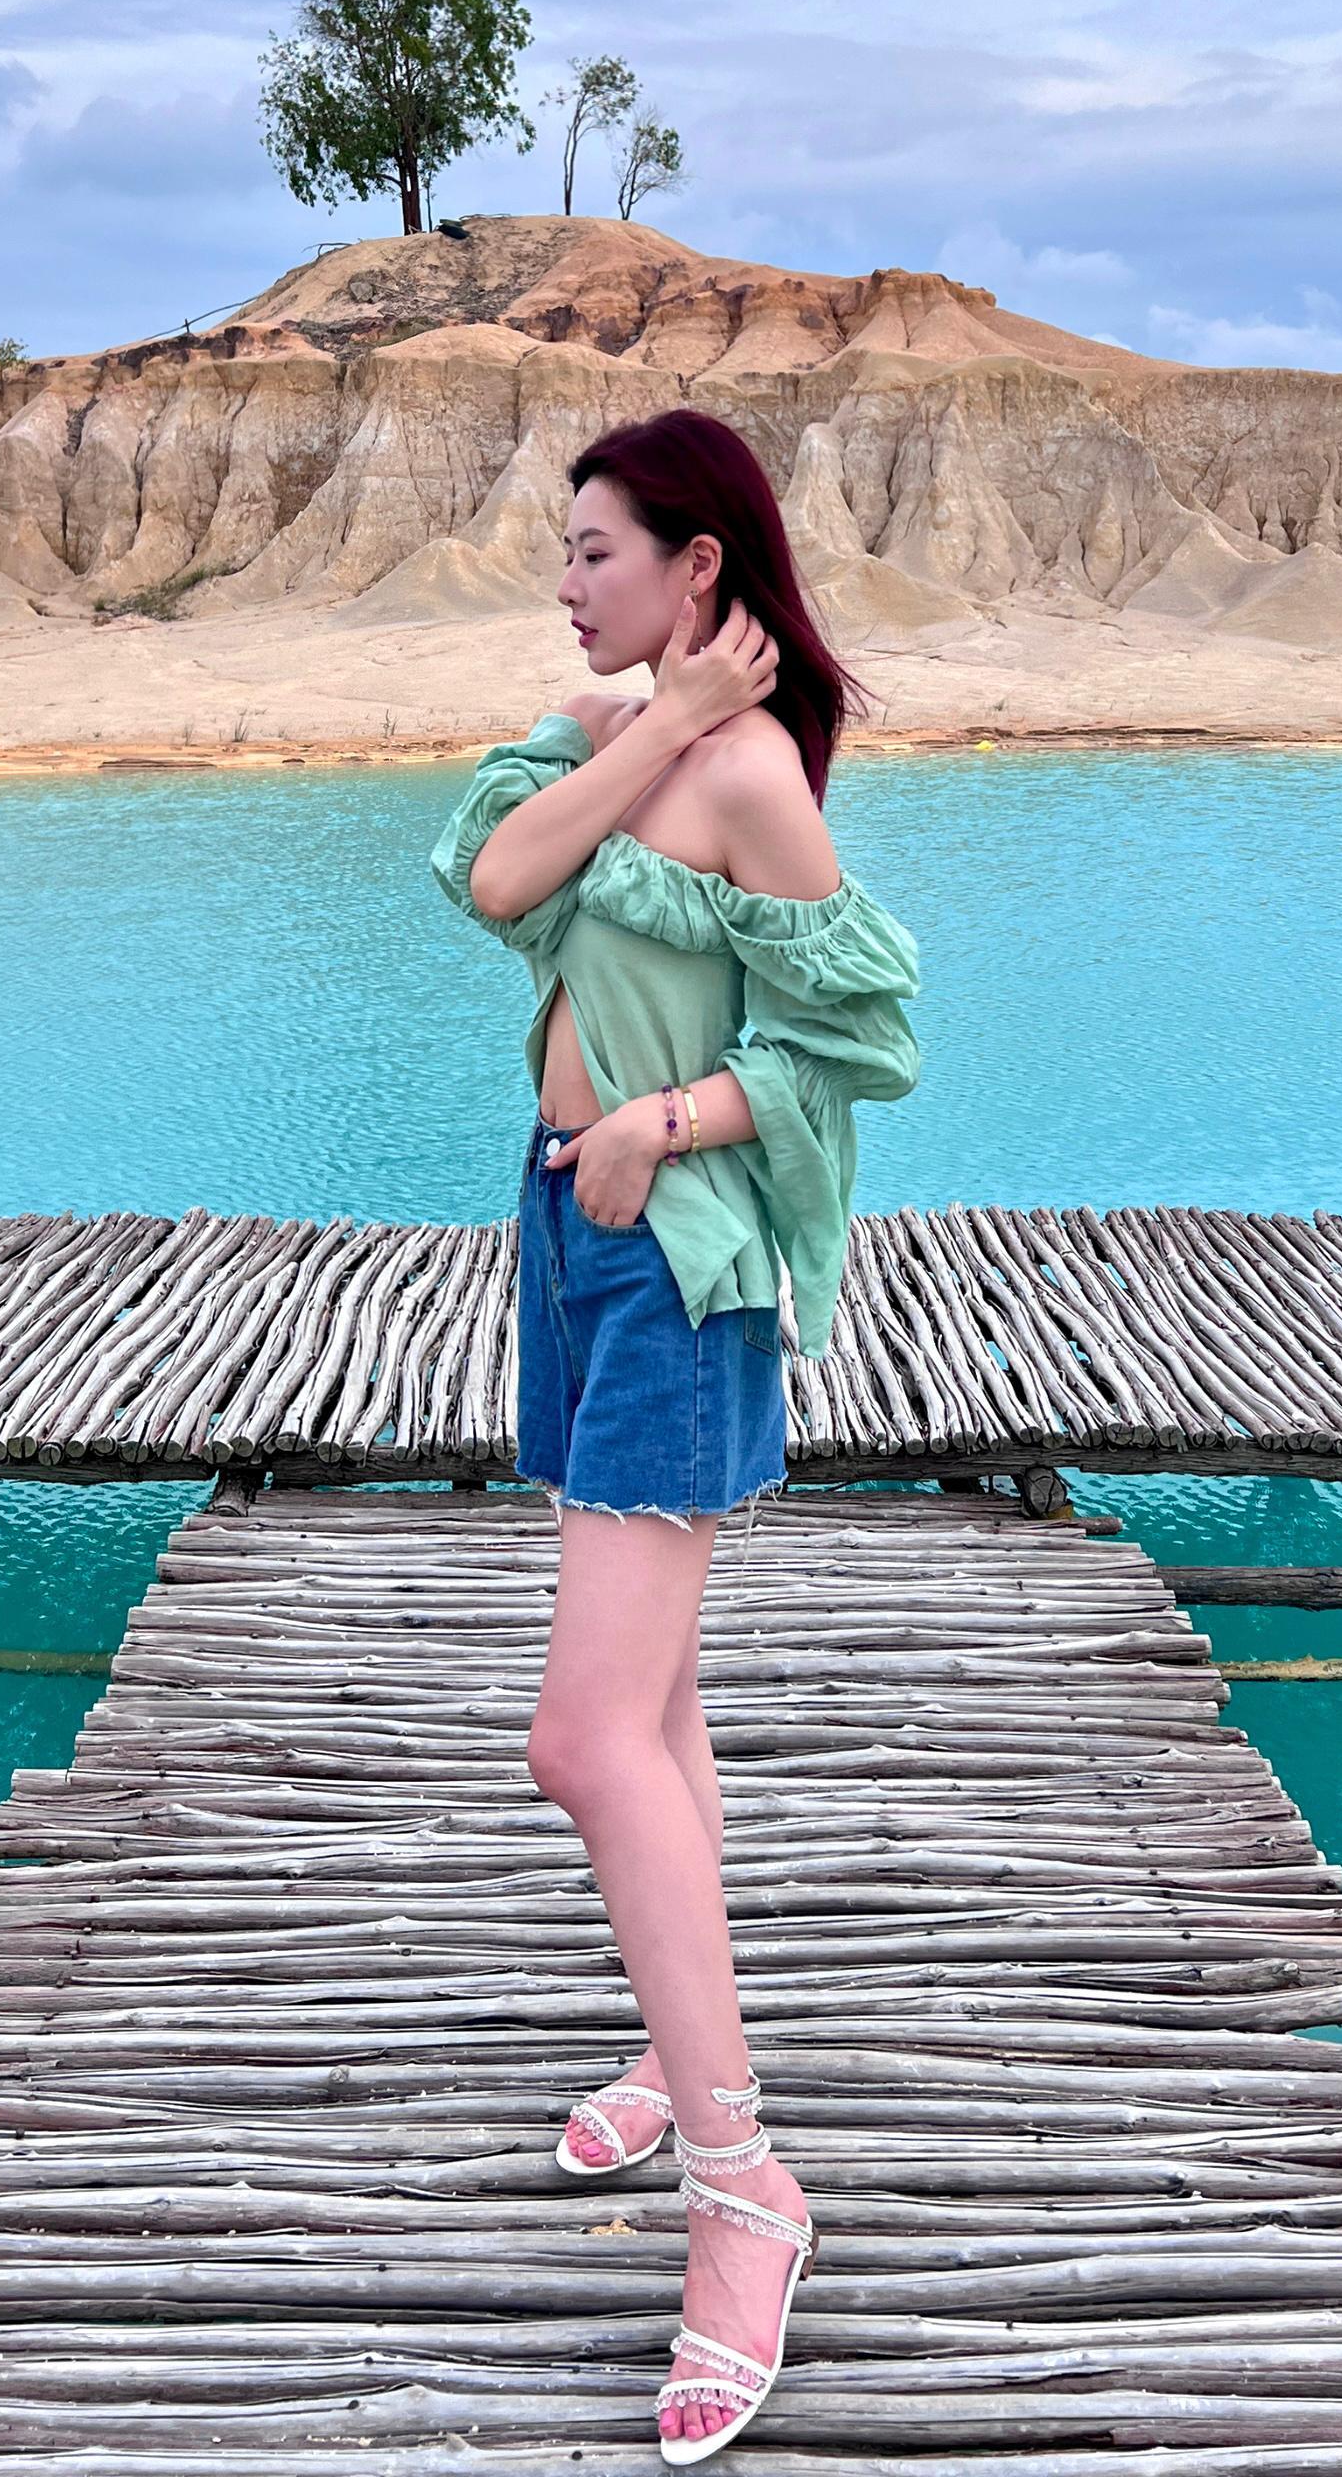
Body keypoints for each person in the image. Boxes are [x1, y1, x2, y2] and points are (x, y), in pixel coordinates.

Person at [430, 406, 921, 2464]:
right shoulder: (619, 738)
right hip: (561, 1236)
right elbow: (492, 879)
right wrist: (655, 717)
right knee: (660, 1707)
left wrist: (659, 1118)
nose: (566, 583)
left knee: (580, 1739)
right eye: (563, 552)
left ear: (696, 564)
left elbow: (860, 1042)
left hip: (674, 1264)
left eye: (597, 551)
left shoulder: (751, 784)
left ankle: (742, 2188)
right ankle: (676, 2039)